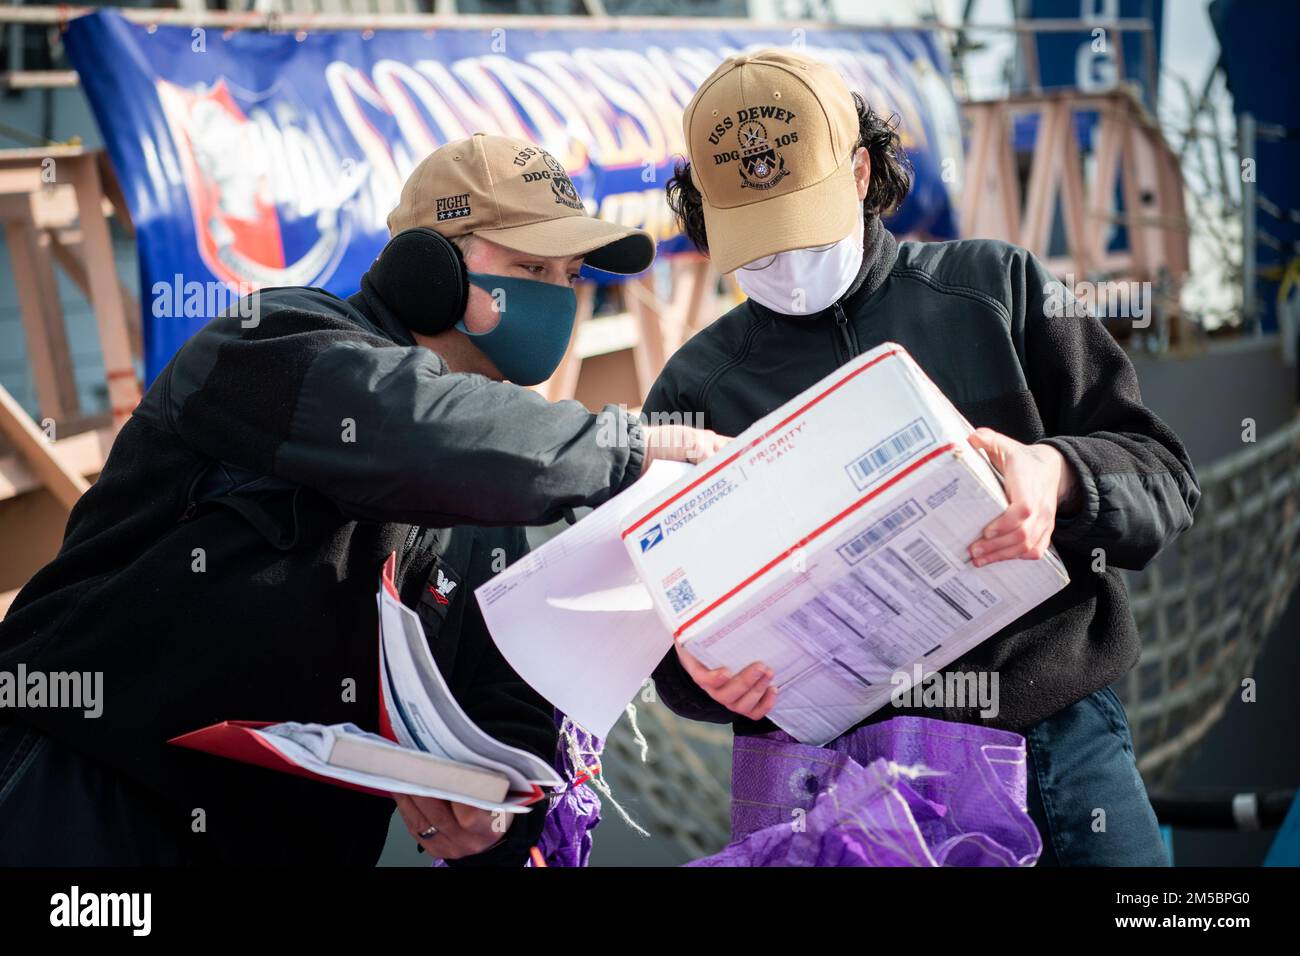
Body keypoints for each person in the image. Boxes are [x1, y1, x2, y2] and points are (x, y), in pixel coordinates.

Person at [0, 133, 724, 866]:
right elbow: (411, 425)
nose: (556, 297)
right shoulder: (275, 339)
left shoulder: (502, 480)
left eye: (569, 275)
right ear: (426, 270)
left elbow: (509, 697)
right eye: (530, 268)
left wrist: (498, 815)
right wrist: (630, 447)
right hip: (84, 796)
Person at [647, 50, 1200, 866]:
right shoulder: (691, 389)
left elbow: (1165, 477)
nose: (785, 263)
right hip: (837, 785)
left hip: (1056, 753)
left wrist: (1061, 474)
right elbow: (671, 642)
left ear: (863, 172)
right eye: (754, 240)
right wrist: (702, 678)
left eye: (801, 223)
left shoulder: (998, 288)